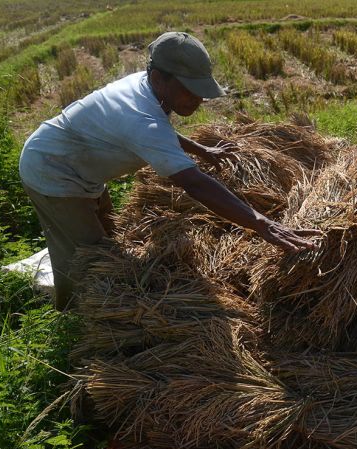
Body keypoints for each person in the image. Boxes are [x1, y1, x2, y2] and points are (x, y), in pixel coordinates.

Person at [18, 32, 318, 311]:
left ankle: (98, 293)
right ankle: (79, 316)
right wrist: (262, 224)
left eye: (201, 91)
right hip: (52, 172)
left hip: (82, 170)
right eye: (190, 91)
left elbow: (159, 129)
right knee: (88, 259)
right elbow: (194, 184)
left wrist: (202, 151)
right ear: (159, 78)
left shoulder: (147, 90)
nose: (198, 100)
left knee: (107, 242)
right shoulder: (138, 118)